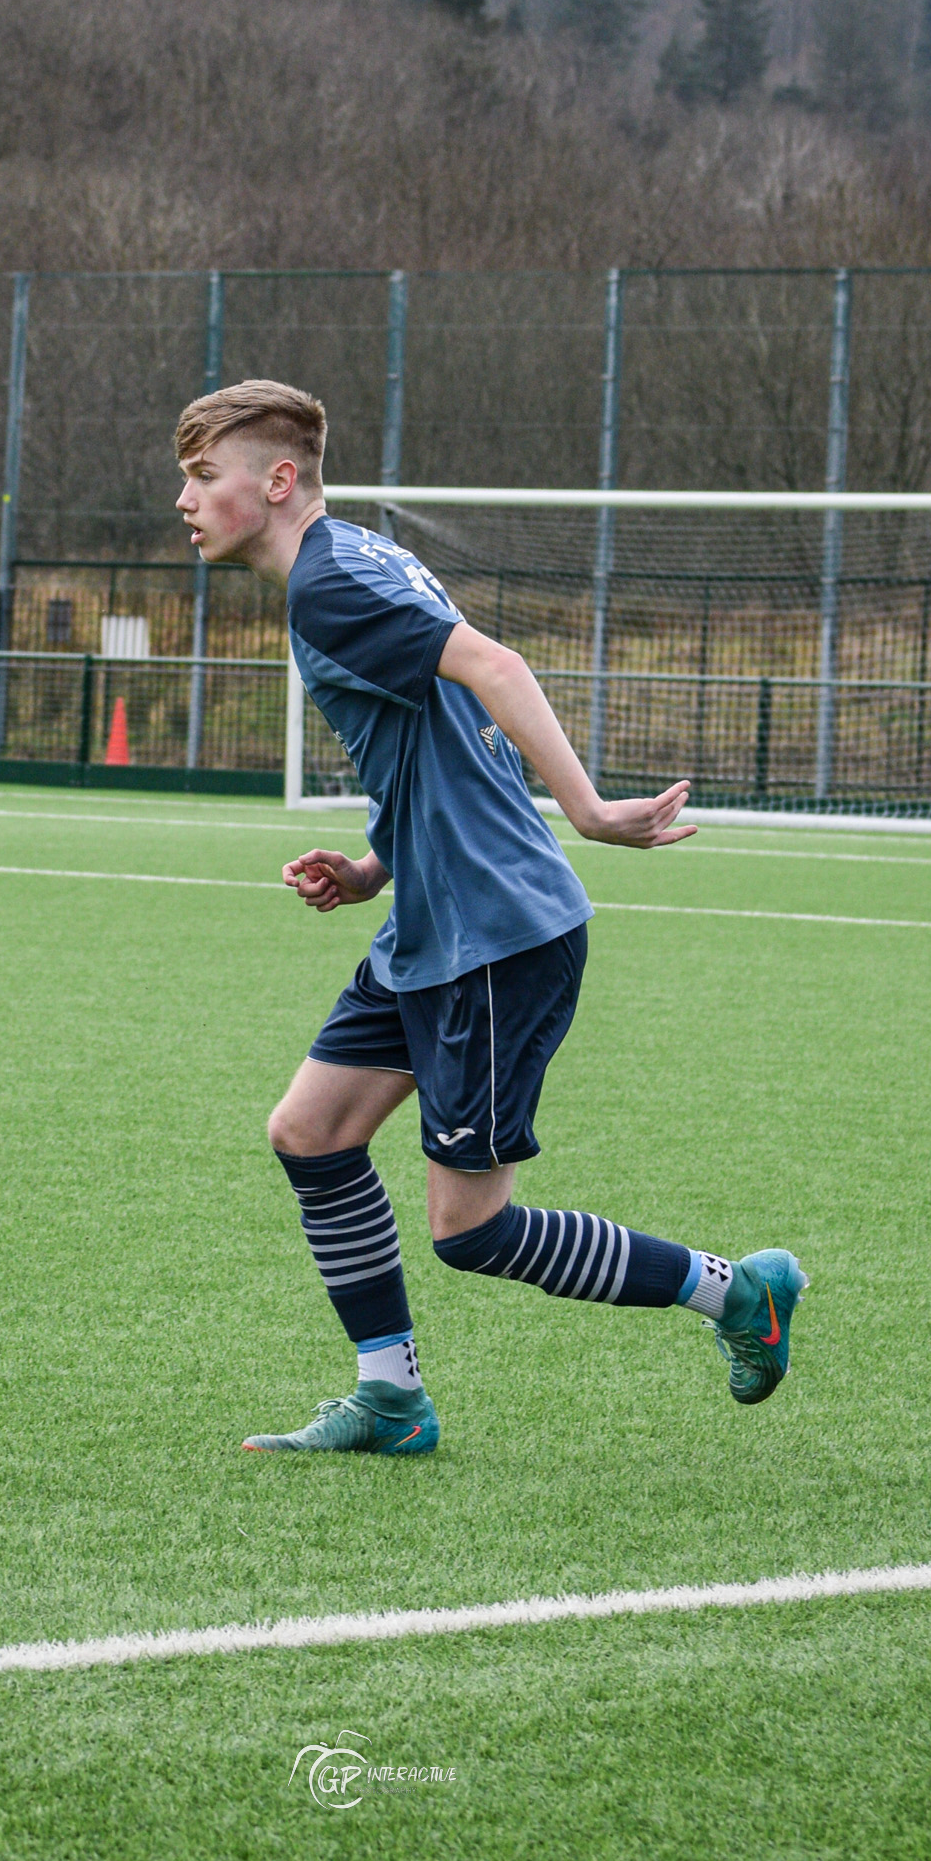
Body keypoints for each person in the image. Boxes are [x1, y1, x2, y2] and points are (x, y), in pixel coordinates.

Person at [174, 381, 807, 1456]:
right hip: (433, 919)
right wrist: (377, 868)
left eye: (201, 475)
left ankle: (735, 1291)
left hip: (493, 934)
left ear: (275, 481)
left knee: (468, 1231)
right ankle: (388, 1398)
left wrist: (589, 809)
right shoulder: (361, 559)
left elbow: (492, 668)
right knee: (310, 1134)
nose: (183, 499)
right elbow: (441, 732)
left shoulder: (330, 586)